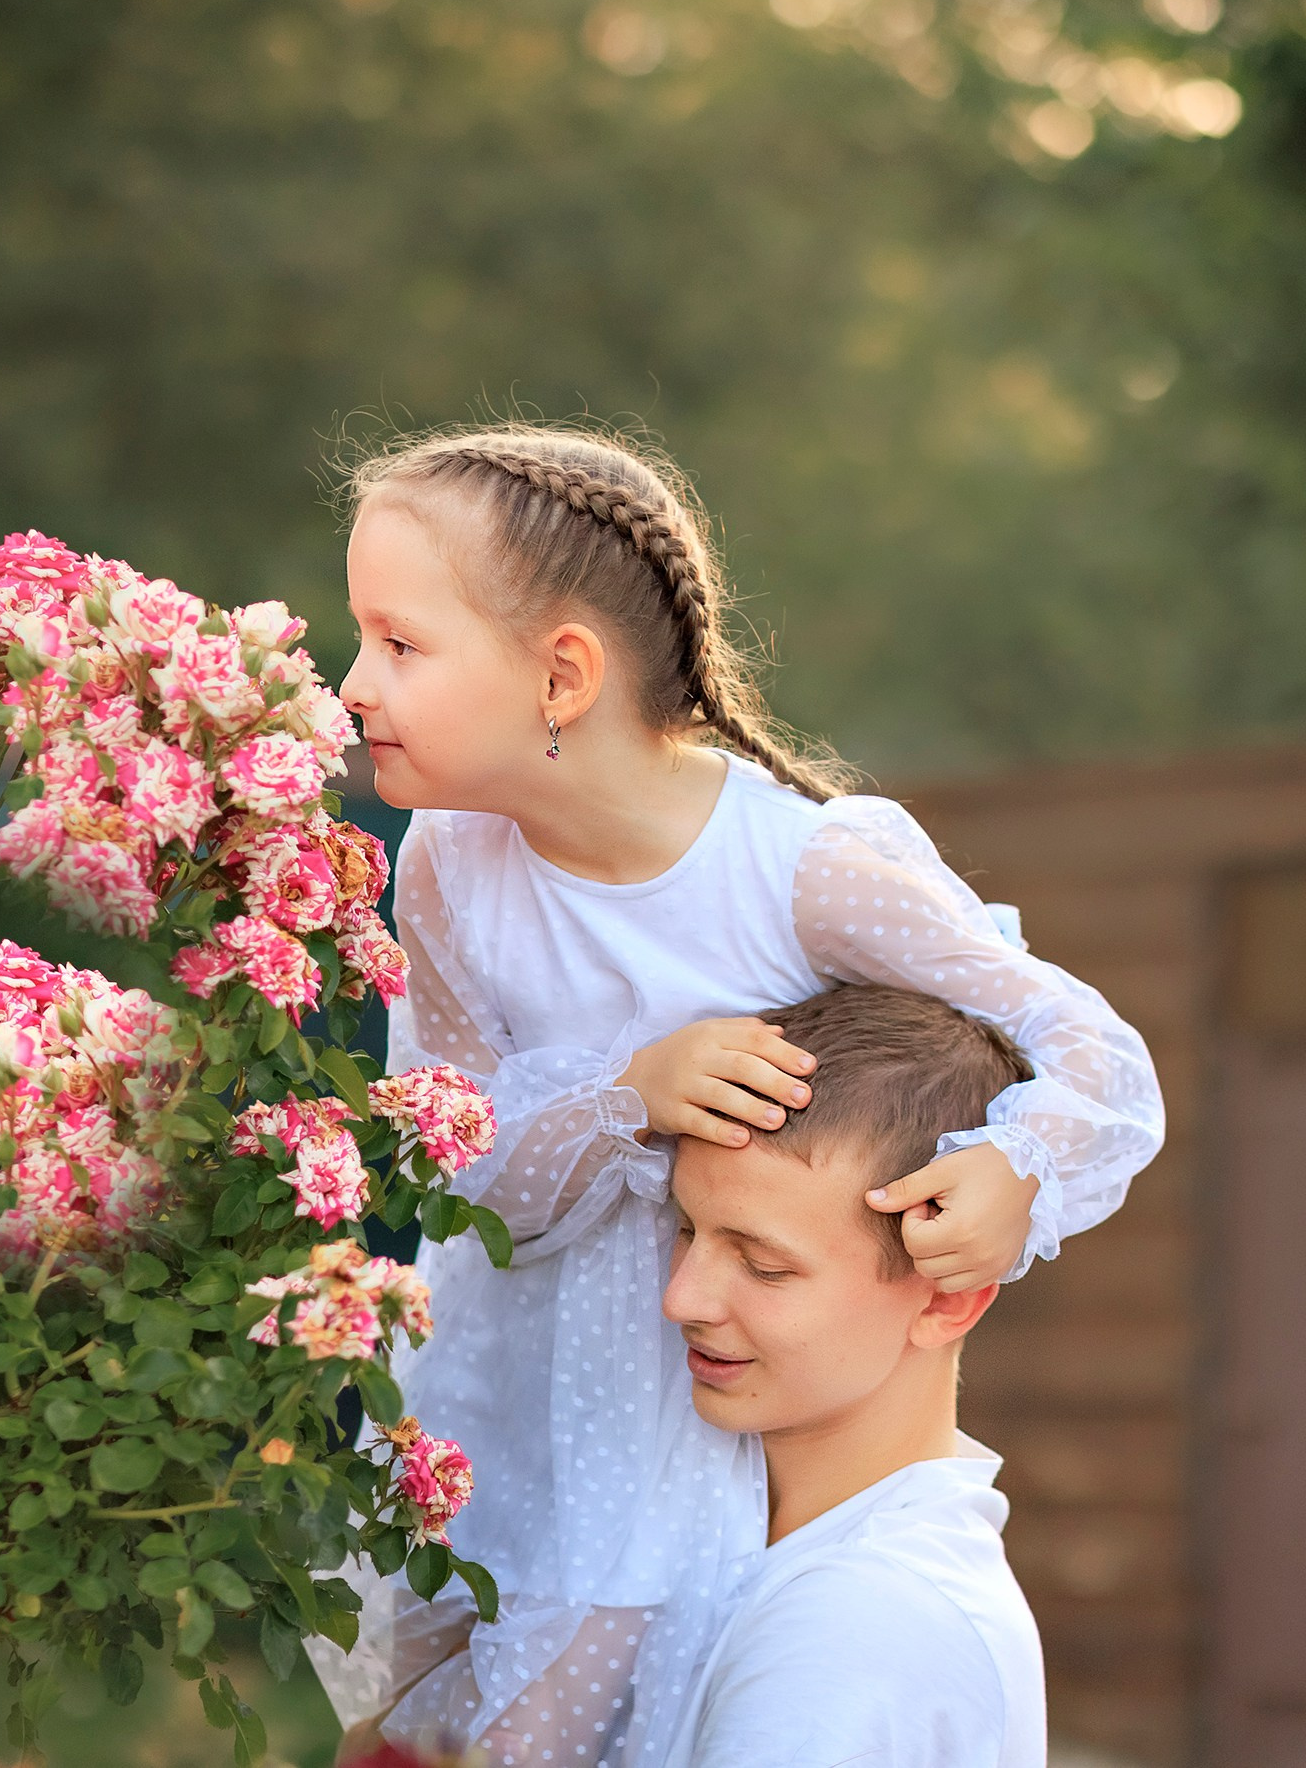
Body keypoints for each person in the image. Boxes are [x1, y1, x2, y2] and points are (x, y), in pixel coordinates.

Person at [311, 425, 1159, 1767]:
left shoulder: (801, 868)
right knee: (406, 1729)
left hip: (669, 1410)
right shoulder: (447, 869)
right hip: (502, 1369)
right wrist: (622, 1096)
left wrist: (1018, 1167)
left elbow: (1092, 1048)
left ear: (563, 674)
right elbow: (456, 1172)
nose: (352, 683)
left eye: (400, 645)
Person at [658, 982, 1045, 1768]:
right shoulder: (753, 1541)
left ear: (948, 1301)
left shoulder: (856, 1622)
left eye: (764, 1267)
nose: (680, 1299)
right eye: (684, 1229)